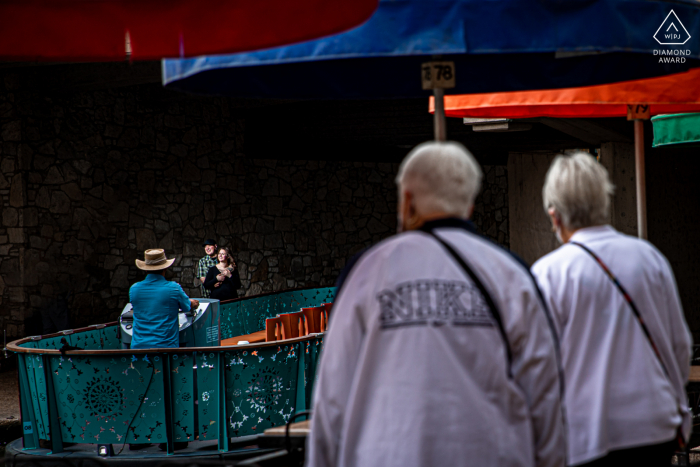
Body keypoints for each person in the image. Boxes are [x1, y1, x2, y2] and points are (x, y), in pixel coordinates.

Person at [307, 141, 566, 467]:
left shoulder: (367, 270)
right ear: (468, 206)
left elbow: (332, 395)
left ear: (408, 201)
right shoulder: (511, 273)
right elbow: (544, 395)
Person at [531, 152, 692, 467]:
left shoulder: (549, 273)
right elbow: (680, 347)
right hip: (654, 428)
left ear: (554, 216)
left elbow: (537, 368)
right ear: (603, 201)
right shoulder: (649, 258)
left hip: (587, 436)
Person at [130, 249, 200, 349]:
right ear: (166, 268)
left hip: (139, 349)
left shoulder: (134, 289)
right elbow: (187, 307)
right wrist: (193, 303)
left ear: (145, 269)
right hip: (166, 350)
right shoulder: (173, 288)